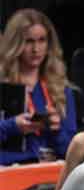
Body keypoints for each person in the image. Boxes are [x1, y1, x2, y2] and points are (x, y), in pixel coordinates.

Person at [0, 9, 77, 165]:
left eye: (42, 40)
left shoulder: (59, 88)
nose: (36, 49)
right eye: (29, 41)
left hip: (47, 172)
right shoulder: (3, 85)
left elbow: (72, 149)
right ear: (15, 43)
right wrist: (12, 126)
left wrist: (57, 130)